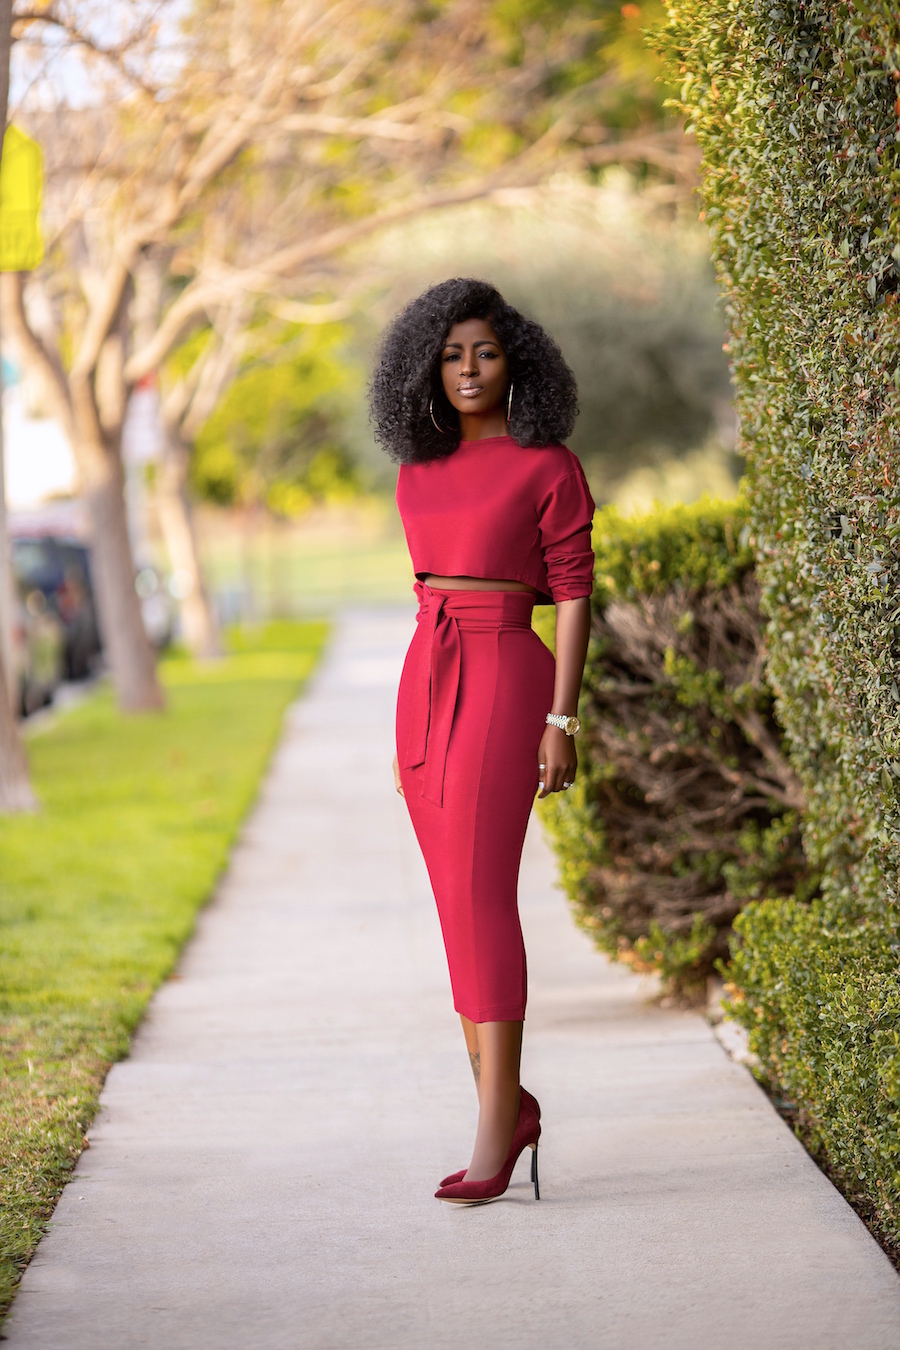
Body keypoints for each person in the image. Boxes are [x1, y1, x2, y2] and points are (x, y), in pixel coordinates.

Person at [370, 278, 594, 1205]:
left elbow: (574, 594)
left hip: (507, 675)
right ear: (427, 364)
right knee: (451, 905)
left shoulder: (548, 464)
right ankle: (508, 1100)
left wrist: (562, 718)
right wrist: (410, 725)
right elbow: (427, 595)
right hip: (428, 672)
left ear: (518, 363)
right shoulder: (413, 472)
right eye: (452, 354)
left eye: (487, 353)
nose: (468, 369)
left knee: (482, 896)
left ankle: (495, 1130)